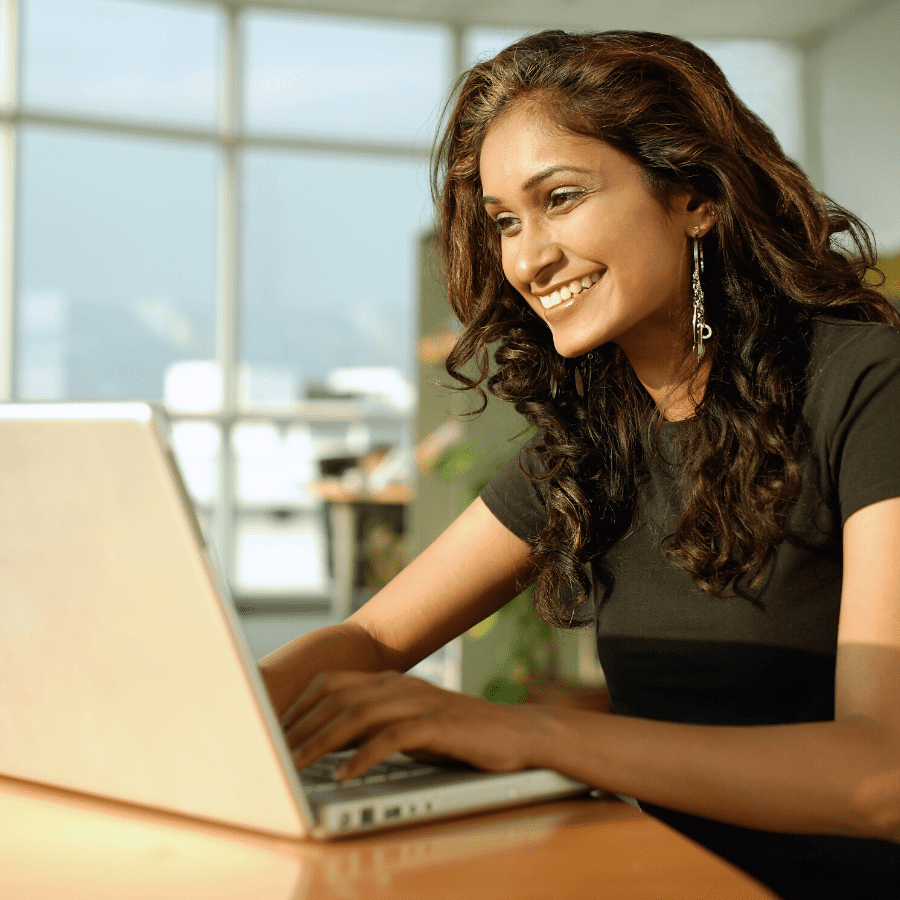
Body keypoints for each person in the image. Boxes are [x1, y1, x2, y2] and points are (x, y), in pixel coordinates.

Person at [260, 31, 900, 898]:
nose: (526, 259)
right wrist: (218, 723)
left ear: (695, 197)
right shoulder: (594, 442)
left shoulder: (869, 387)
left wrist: (531, 736)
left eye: (561, 198)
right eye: (504, 222)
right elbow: (374, 638)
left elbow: (882, 776)